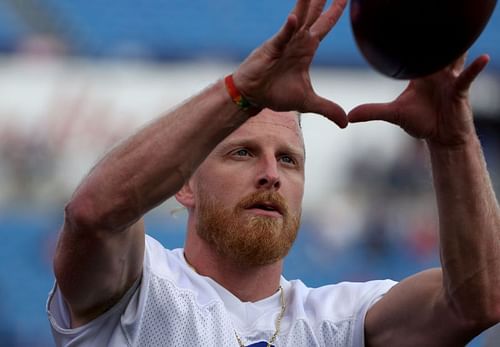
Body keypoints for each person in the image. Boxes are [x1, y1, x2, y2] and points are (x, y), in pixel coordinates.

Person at [46, 0, 500, 346]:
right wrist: (239, 91)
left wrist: (452, 140)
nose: (270, 175)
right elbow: (92, 213)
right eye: (242, 153)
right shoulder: (138, 286)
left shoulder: (339, 321)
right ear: (185, 185)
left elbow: (478, 302)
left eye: (288, 160)